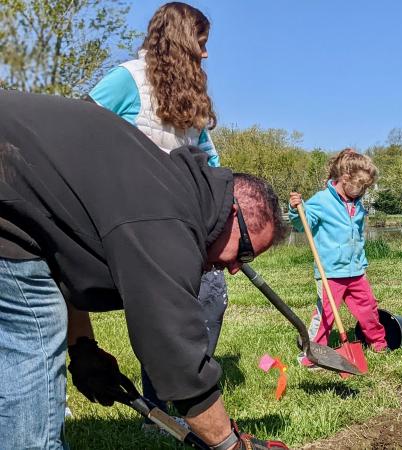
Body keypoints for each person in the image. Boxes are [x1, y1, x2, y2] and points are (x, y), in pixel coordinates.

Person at [0, 90, 288, 450]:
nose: (233, 268)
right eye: (243, 252)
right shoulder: (168, 217)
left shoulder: (170, 186)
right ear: (233, 213)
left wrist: (82, 347)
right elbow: (173, 350)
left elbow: (58, 248)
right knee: (33, 370)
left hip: (14, 210)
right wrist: (230, 445)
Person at [87, 2, 227, 426]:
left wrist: (227, 193)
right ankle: (161, 411)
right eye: (201, 44)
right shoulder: (128, 79)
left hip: (184, 218)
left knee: (211, 297)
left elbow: (208, 155)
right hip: (134, 219)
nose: (206, 54)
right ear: (183, 39)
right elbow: (80, 128)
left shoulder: (193, 95)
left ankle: (186, 389)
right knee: (161, 311)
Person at [288, 149, 387, 367]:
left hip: (356, 271)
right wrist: (297, 210)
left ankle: (379, 344)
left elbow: (357, 237)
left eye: (366, 188)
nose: (362, 191)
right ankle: (311, 355)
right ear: (344, 178)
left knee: (369, 308)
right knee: (325, 316)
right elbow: (303, 222)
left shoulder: (358, 204)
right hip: (330, 272)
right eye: (360, 186)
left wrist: (361, 262)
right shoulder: (322, 200)